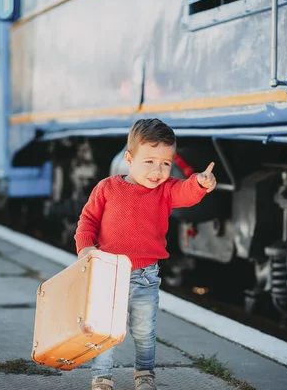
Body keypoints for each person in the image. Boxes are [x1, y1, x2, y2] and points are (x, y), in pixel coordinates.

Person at [74, 118, 216, 390]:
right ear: (129, 158)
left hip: (145, 277)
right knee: (104, 330)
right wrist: (85, 247)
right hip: (108, 274)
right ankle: (101, 378)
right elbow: (87, 220)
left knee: (144, 331)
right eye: (149, 161)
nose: (157, 170)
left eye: (165, 163)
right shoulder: (107, 188)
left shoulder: (166, 190)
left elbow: (186, 192)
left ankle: (144, 376)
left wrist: (199, 182)